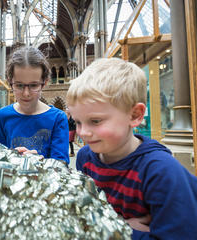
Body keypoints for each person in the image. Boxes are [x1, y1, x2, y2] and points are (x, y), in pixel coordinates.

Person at [66, 57, 197, 239]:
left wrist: (115, 231)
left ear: (135, 115)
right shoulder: (85, 158)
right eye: (78, 122)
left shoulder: (161, 172)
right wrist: (119, 225)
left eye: (95, 121)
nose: (83, 132)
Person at [0, 46, 69, 164]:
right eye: (19, 85)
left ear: (44, 83)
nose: (26, 93)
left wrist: (38, 162)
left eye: (33, 85)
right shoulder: (2, 116)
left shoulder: (58, 118)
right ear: (10, 82)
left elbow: (62, 164)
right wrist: (9, 157)